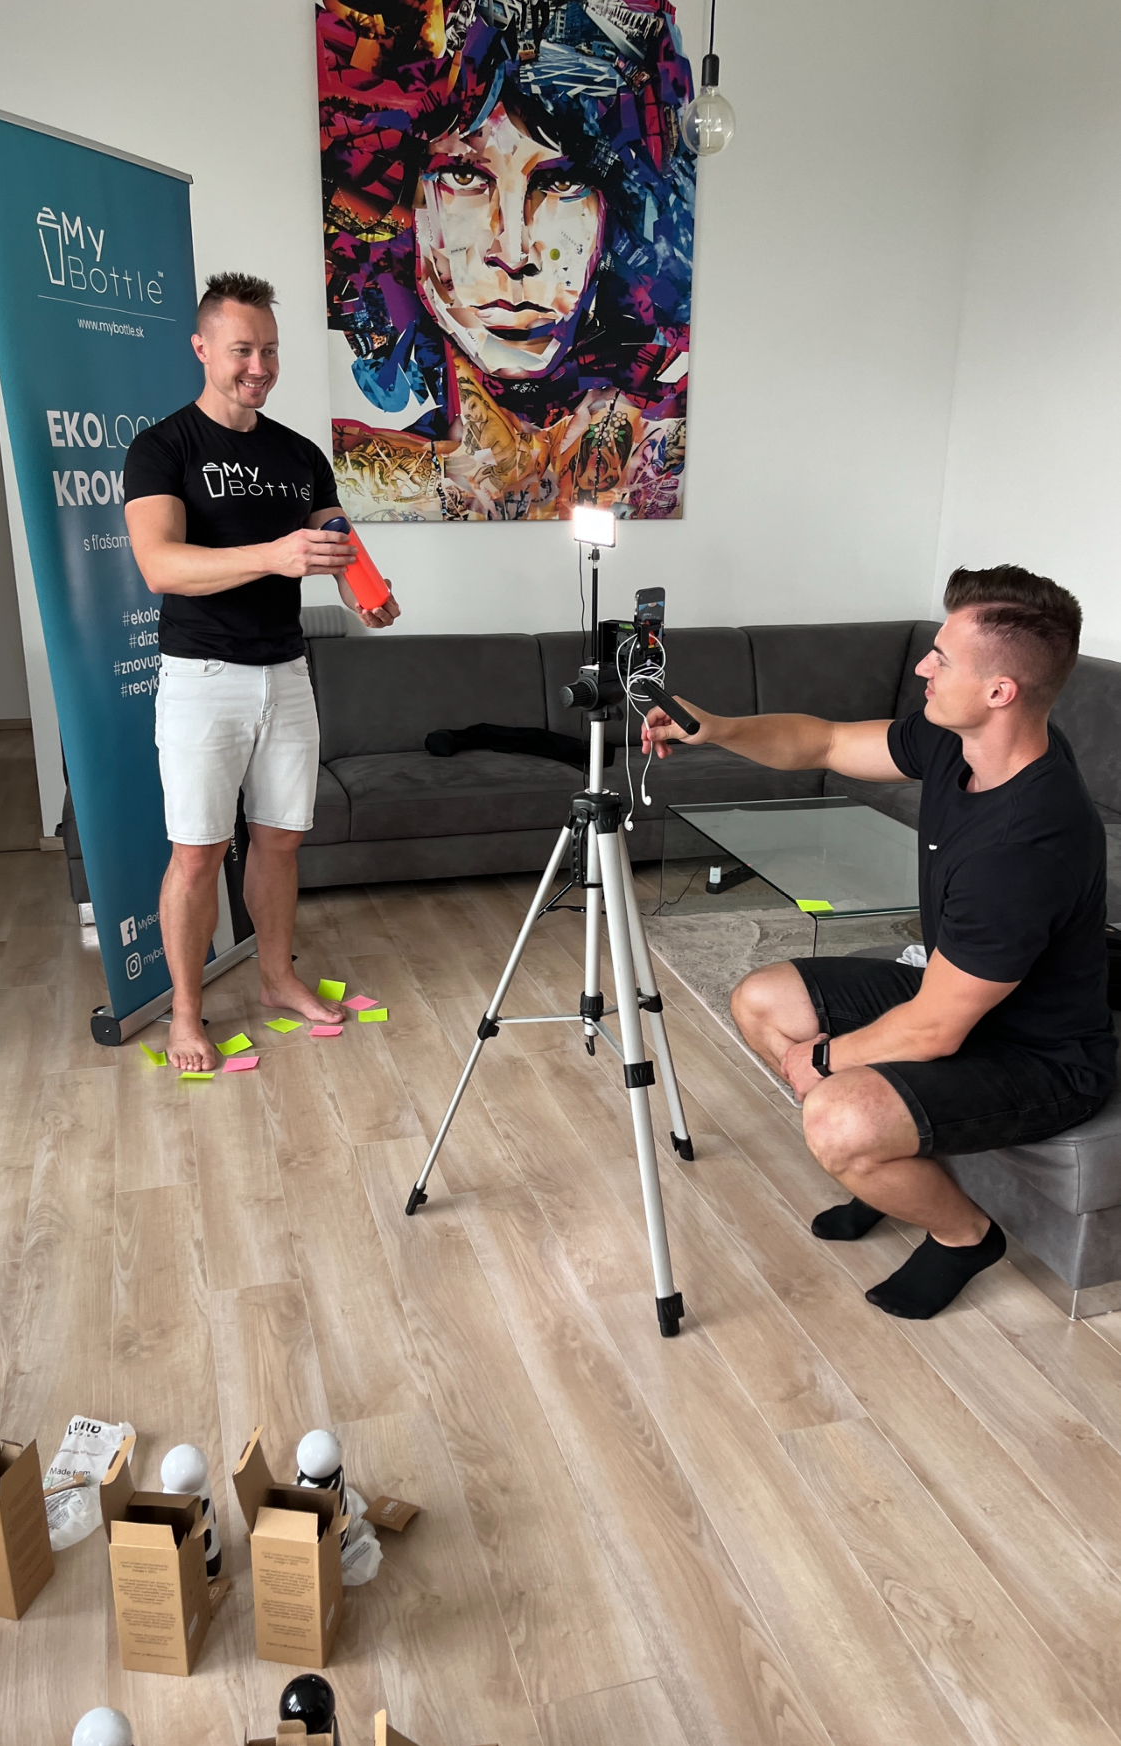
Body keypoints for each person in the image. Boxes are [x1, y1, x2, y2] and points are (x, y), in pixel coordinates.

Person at [642, 567, 1117, 1319]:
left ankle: (963, 1235)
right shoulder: (961, 742)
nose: (924, 667)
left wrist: (824, 1061)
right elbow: (826, 741)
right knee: (763, 1001)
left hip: (1040, 1054)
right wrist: (720, 728)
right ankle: (886, 1170)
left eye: (943, 659)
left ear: (1000, 691)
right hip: (957, 995)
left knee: (837, 1118)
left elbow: (934, 1030)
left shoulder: (1027, 846)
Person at [124, 272, 401, 1072]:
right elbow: (160, 565)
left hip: (286, 672)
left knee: (279, 842)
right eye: (242, 349)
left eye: (270, 351)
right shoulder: (163, 448)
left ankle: (277, 978)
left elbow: (335, 537)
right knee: (198, 854)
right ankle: (186, 1015)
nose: (259, 366)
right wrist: (273, 556)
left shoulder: (299, 453)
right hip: (202, 678)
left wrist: (365, 592)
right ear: (202, 347)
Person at [317, 0, 694, 521]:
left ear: (614, 214)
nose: (514, 255)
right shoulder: (350, 482)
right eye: (466, 178)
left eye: (561, 183)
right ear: (405, 210)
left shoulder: (666, 448)